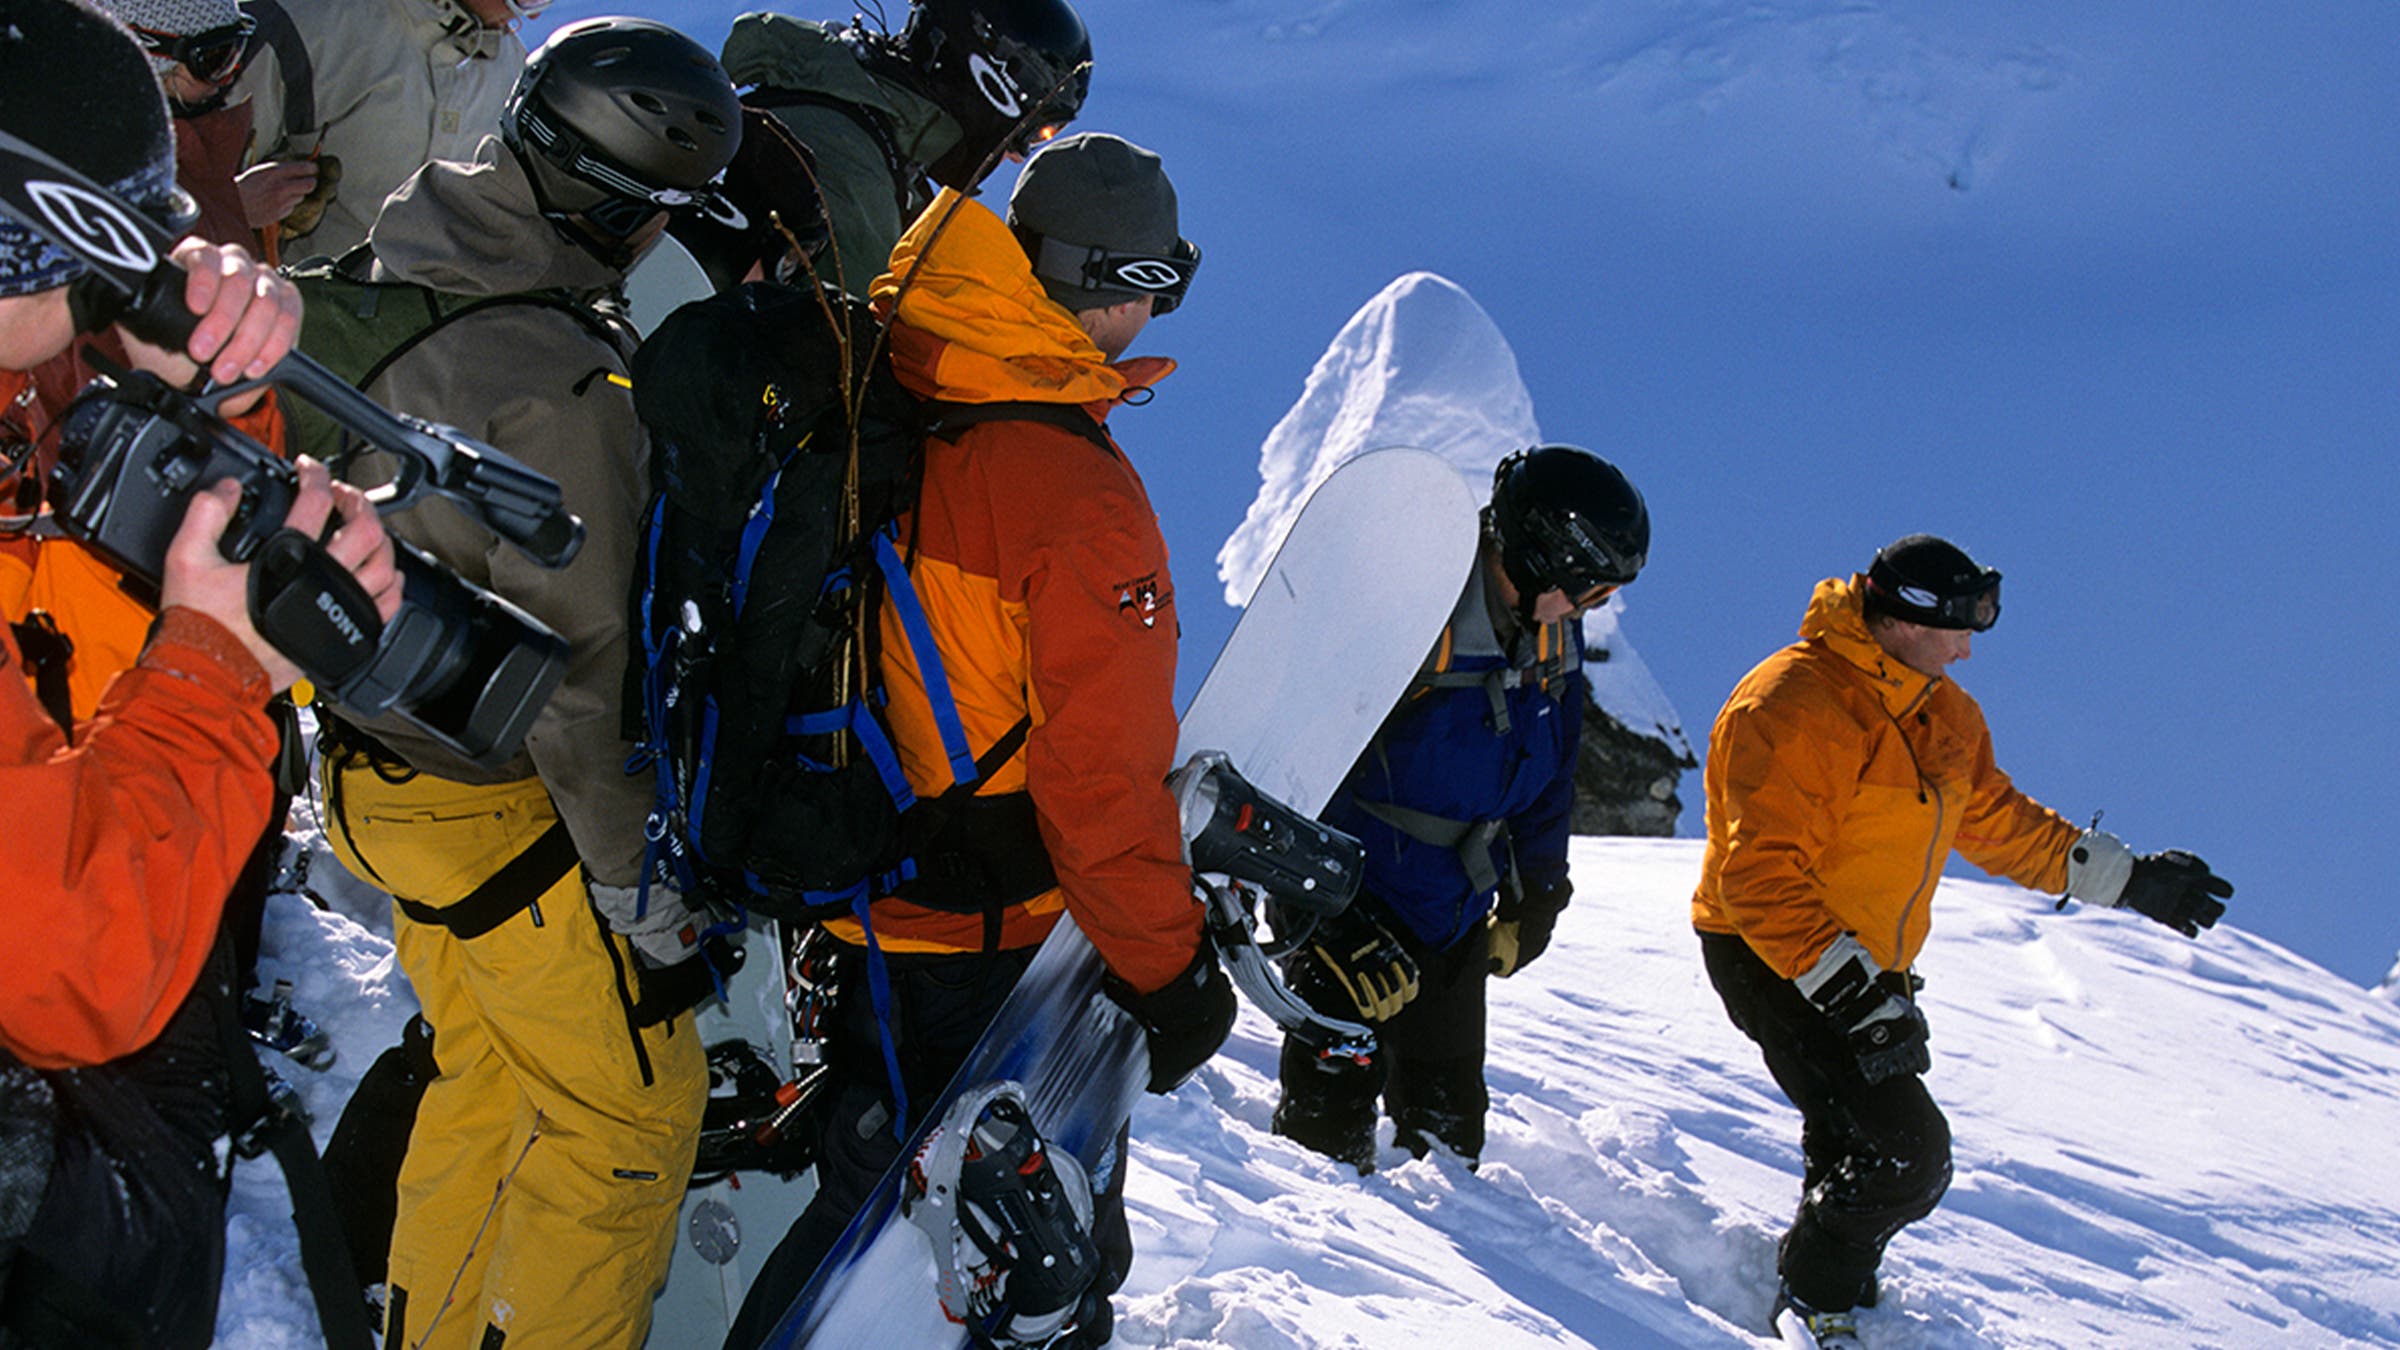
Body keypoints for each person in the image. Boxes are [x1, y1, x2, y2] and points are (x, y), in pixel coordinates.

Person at [724, 130, 1231, 1350]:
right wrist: (1170, 971)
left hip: (873, 890)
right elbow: (1096, 777)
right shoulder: (1070, 489)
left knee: (893, 1223)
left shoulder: (914, 377)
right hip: (980, 939)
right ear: (1123, 284)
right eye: (1161, 282)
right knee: (914, 1252)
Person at [305, 18, 739, 1349]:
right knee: (628, 1112)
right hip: (485, 795)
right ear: (615, 205)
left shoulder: (414, 245)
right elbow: (585, 667)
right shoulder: (559, 378)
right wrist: (637, 880)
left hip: (370, 764)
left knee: (488, 1074)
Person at [0, 3, 401, 1340]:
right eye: (112, 245)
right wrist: (220, 662)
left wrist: (205, 408)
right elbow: (75, 959)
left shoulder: (32, 373)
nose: (140, 274)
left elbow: (75, 644)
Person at [1690, 532, 2234, 1347]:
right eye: (1960, 626)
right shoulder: (1795, 702)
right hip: (1771, 950)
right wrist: (1855, 994)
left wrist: (2127, 880)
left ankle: (1833, 1280)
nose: (1969, 649)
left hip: (1868, 961)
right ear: (1907, 619)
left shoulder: (1942, 712)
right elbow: (1758, 878)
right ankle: (1811, 1307)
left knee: (1855, 1133)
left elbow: (1997, 822)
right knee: (1908, 1153)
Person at [1270, 445, 1650, 1172]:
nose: (1592, 609)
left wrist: (1539, 892)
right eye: (1590, 590)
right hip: (1352, 902)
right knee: (1328, 1128)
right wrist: (1321, 915)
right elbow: (1297, 767)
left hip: (1452, 916)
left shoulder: (1550, 636)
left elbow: (1552, 777)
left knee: (1449, 1135)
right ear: (1542, 557)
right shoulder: (1414, 610)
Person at [721, 0, 1092, 296]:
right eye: (1032, 132)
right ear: (989, 87)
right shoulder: (852, 167)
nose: (1016, 155)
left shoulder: (869, 137)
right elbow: (846, 371)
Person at [233, 0, 544, 263]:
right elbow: (192, 183)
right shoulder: (304, 22)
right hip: (286, 320)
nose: (533, 17)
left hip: (431, 329)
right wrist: (242, 206)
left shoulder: (513, 70)